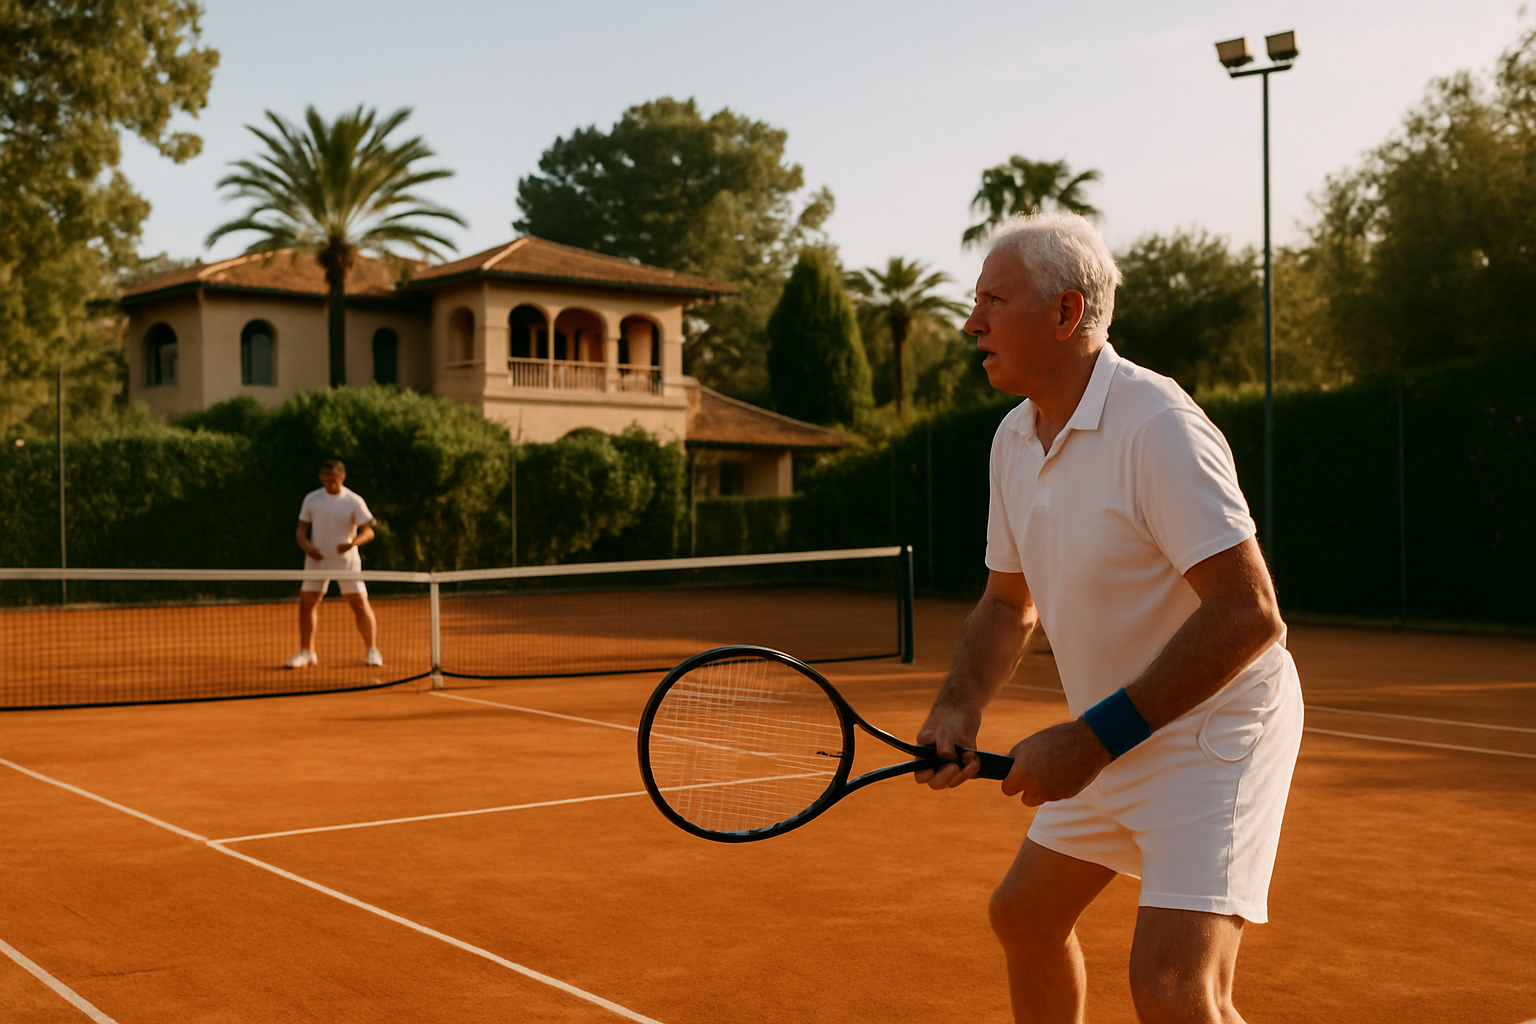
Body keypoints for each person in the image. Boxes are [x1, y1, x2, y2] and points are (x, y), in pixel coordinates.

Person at [916, 212, 1303, 1024]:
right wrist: (959, 702)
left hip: (1216, 733)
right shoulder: (1013, 439)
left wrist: (1091, 741)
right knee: (1023, 917)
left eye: (993, 299)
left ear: (1066, 313)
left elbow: (1250, 612)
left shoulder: (1156, 424)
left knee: (1173, 987)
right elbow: (1005, 602)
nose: (970, 321)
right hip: (1120, 729)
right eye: (973, 299)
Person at [285, 459, 382, 669]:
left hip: (346, 561)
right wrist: (308, 548)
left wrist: (352, 543)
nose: (330, 484)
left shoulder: (354, 501)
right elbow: (301, 532)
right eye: (326, 480)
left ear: (342, 478)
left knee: (359, 603)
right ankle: (307, 652)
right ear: (321, 478)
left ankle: (372, 650)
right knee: (307, 604)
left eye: (334, 480)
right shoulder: (311, 499)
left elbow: (369, 531)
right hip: (316, 561)